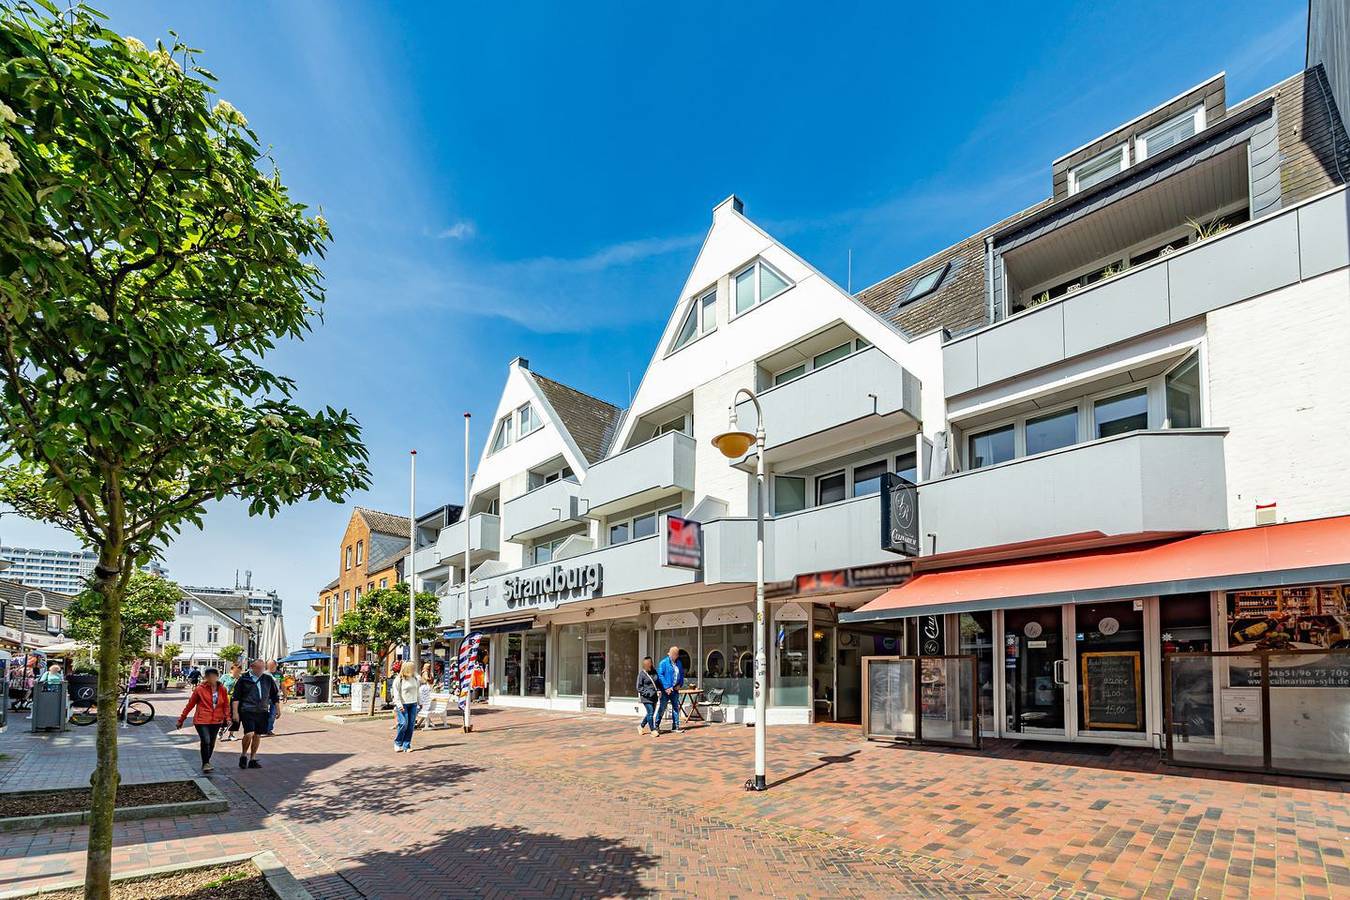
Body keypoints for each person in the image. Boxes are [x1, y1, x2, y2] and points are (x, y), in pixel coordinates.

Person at [178, 668, 230, 773]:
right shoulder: (200, 689)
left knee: (211, 742)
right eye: (208, 677)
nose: (211, 679)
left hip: (217, 720)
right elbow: (190, 705)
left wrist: (228, 717)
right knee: (206, 740)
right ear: (205, 677)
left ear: (217, 677)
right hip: (202, 720)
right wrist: (181, 719)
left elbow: (226, 705)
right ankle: (205, 763)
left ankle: (207, 761)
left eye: (213, 676)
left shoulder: (222, 689)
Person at [231, 659, 280, 769]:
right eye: (258, 668)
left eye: (262, 668)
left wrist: (277, 708)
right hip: (247, 710)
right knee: (249, 733)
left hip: (262, 711)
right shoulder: (243, 679)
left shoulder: (267, 679)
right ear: (252, 667)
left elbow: (274, 695)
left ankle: (252, 759)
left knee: (257, 735)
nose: (260, 670)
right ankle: (244, 755)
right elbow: (236, 698)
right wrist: (235, 713)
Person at [390, 661, 421, 752]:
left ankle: (406, 745)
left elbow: (417, 691)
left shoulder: (415, 678)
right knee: (403, 724)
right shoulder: (398, 679)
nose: (414, 669)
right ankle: (398, 742)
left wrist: (420, 702)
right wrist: (399, 705)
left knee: (411, 725)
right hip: (403, 704)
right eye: (412, 668)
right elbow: (396, 694)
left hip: (413, 703)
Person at [655, 645, 685, 734]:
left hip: (675, 689)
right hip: (666, 690)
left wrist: (680, 684)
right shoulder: (663, 663)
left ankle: (675, 727)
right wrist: (666, 687)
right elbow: (660, 675)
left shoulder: (679, 663)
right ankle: (656, 726)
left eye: (675, 654)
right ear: (670, 654)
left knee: (676, 707)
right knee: (662, 707)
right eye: (672, 654)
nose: (674, 656)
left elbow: (682, 674)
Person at [636, 656, 660, 735]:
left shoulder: (654, 672)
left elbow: (658, 682)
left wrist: (660, 690)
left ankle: (641, 726)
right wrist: (647, 693)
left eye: (649, 664)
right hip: (646, 697)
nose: (648, 666)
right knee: (650, 712)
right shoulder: (642, 674)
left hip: (654, 697)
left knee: (651, 713)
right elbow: (639, 687)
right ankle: (652, 730)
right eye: (646, 665)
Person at [220, 663, 242, 742]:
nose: (237, 673)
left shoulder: (240, 679)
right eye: (236, 671)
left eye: (239, 671)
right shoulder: (225, 677)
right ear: (231, 670)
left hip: (237, 700)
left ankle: (231, 734)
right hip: (225, 699)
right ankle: (221, 729)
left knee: (235, 717)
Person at [264, 660, 280, 736]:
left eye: (272, 665)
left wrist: (285, 695)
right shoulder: (263, 674)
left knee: (273, 714)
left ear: (275, 665)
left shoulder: (279, 674)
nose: (270, 667)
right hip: (265, 697)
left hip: (275, 697)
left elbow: (282, 684)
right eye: (269, 665)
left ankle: (269, 730)